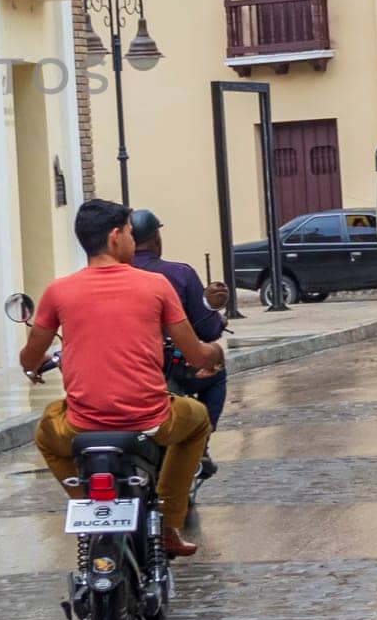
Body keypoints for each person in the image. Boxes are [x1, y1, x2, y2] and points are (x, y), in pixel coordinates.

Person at [20, 198, 225, 558]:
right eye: (130, 233)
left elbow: (29, 357)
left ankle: (88, 502)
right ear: (115, 237)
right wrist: (214, 355)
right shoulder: (157, 285)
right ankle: (168, 520)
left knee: (45, 433)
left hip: (82, 426)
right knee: (196, 421)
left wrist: (31, 366)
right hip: (151, 420)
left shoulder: (58, 291)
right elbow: (194, 354)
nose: (133, 240)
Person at [131, 208, 229, 479]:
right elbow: (207, 331)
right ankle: (200, 446)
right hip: (169, 367)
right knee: (216, 374)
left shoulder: (104, 278)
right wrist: (216, 319)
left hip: (120, 371)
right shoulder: (177, 274)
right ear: (156, 239)